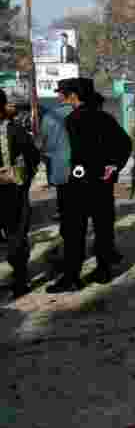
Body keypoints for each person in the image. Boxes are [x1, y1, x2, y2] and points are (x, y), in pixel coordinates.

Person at [47, 78, 132, 293]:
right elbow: (124, 144)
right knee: (103, 228)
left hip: (75, 186)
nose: (60, 97)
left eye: (62, 93)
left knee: (74, 233)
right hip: (101, 184)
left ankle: (71, 277)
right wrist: (113, 166)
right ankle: (103, 271)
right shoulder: (105, 118)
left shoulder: (70, 120)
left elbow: (62, 155)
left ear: (73, 96)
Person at [1, 88, 40, 299]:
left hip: (12, 191)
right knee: (16, 236)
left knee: (15, 236)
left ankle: (19, 279)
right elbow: (33, 156)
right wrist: (25, 179)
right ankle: (20, 280)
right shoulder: (15, 130)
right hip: (12, 190)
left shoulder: (15, 130)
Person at [39, 79, 75, 227]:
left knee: (62, 191)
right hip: (81, 163)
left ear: (62, 95)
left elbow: (44, 142)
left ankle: (63, 212)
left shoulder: (49, 116)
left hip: (59, 163)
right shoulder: (84, 113)